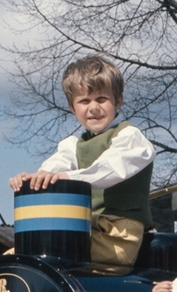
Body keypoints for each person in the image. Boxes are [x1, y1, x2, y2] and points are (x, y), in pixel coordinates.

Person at [9, 55, 155, 271]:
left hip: (118, 237)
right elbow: (55, 166)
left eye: (102, 99)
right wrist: (32, 179)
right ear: (71, 106)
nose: (93, 108)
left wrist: (67, 177)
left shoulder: (130, 137)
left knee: (39, 256)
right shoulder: (72, 145)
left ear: (119, 100)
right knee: (9, 257)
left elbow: (109, 168)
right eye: (84, 101)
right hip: (85, 232)